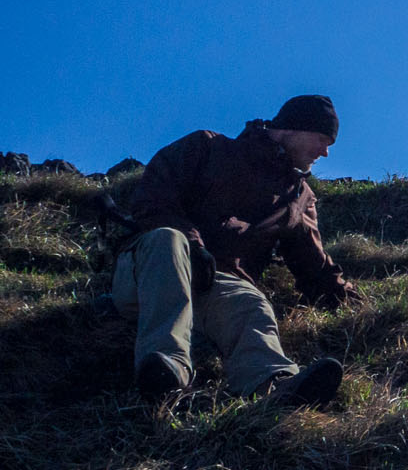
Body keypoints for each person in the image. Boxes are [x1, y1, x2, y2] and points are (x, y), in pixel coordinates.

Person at [112, 94, 355, 406]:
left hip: (216, 285)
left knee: (250, 302)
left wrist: (355, 305)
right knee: (167, 239)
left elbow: (314, 267)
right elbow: (153, 199)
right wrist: (195, 247)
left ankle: (274, 385)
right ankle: (167, 368)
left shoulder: (298, 197)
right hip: (151, 270)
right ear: (294, 128)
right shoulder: (206, 147)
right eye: (322, 139)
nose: (325, 152)